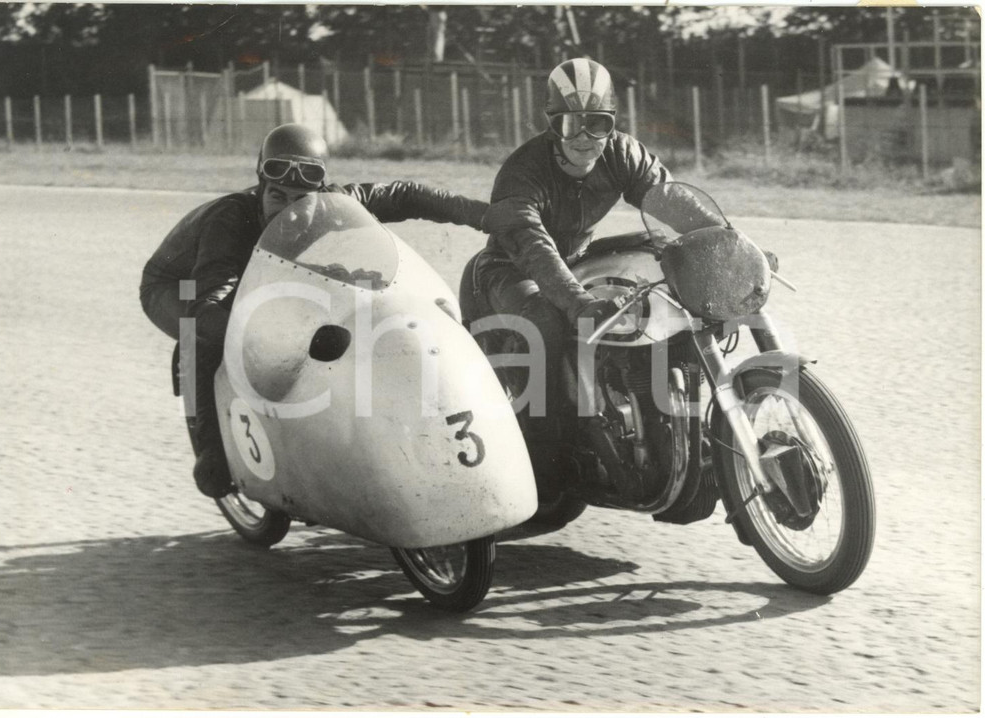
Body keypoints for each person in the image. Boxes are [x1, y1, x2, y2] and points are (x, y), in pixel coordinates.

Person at [141, 122, 488, 498]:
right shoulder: (228, 221)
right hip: (180, 284)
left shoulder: (332, 203)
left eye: (300, 201)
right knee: (206, 336)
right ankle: (211, 452)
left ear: (320, 193)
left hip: (257, 272)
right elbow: (208, 305)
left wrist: (482, 215)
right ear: (261, 186)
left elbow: (405, 195)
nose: (288, 213)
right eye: (277, 196)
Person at [475, 57, 726, 496]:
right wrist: (579, 304)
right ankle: (541, 460)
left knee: (668, 270)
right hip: (511, 269)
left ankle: (673, 419)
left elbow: (670, 200)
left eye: (600, 123)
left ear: (613, 122)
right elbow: (536, 253)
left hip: (576, 258)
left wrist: (729, 244)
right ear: (552, 123)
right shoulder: (522, 172)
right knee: (546, 324)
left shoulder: (623, 153)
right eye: (573, 125)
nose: (587, 138)